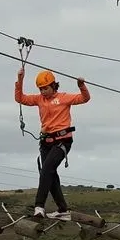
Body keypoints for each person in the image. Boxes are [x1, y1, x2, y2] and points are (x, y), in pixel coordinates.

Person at [15, 68, 90, 220]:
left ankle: (39, 207)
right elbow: (20, 98)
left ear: (53, 85)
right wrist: (20, 79)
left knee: (46, 170)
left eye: (45, 88)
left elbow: (85, 98)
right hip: (45, 142)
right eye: (40, 89)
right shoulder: (39, 99)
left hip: (62, 141)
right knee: (51, 173)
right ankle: (63, 209)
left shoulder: (64, 98)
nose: (43, 91)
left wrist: (81, 85)